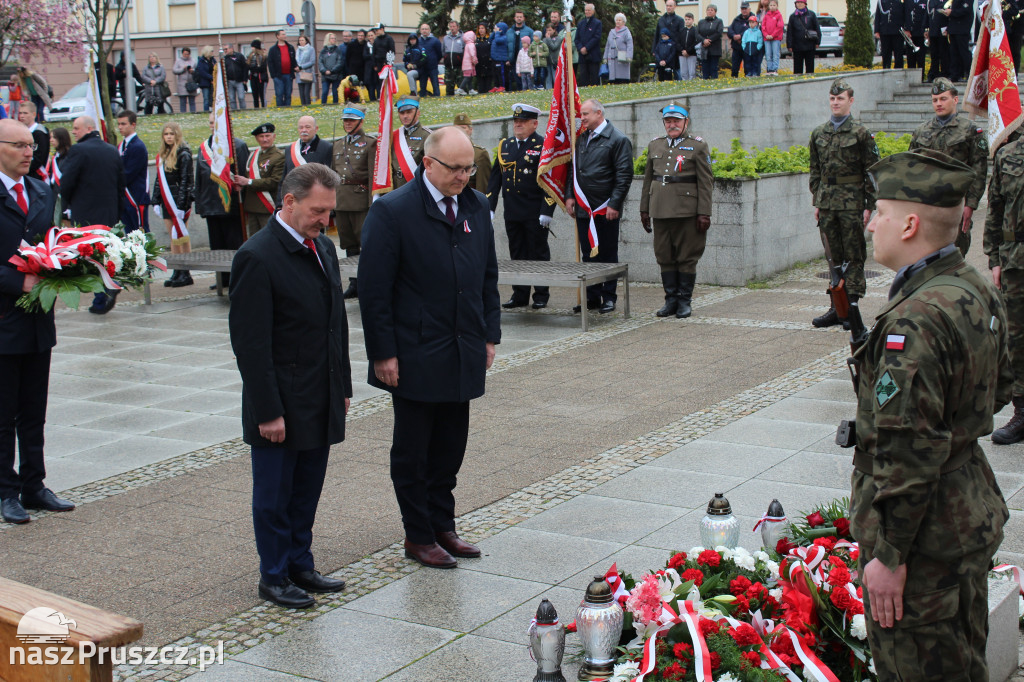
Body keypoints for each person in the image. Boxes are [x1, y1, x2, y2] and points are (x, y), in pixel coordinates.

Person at [850, 150, 1010, 682]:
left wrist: (889, 556)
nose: (870, 221)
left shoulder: (915, 320)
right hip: (961, 508)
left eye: (879, 210)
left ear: (911, 223)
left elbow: (909, 448)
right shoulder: (970, 285)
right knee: (963, 662)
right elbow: (1001, 383)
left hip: (924, 538)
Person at [358, 126, 499, 570]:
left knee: (450, 447)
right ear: (428, 164)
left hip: (462, 347)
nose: (464, 177)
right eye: (455, 169)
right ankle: (417, 535)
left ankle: (444, 526)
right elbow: (374, 290)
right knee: (414, 451)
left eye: (468, 168)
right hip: (415, 351)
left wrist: (489, 334)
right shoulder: (393, 211)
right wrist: (383, 353)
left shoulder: (476, 204)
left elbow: (488, 277)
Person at [229, 162, 352, 609]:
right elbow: (251, 345)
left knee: (306, 490)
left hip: (319, 394)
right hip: (280, 401)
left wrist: (343, 386)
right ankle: (274, 575)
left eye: (330, 211)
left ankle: (301, 563)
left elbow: (334, 323)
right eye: (318, 211)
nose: (326, 220)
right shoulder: (257, 256)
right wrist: (268, 411)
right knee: (275, 496)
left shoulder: (323, 249)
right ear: (289, 202)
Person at [0, 119, 71, 525]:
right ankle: (6, 491)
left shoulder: (43, 190)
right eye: (20, 145)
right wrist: (17, 280)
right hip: (4, 317)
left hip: (37, 318)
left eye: (32, 145)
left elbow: (51, 245)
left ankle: (34, 484)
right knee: (3, 412)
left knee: (33, 409)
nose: (30, 152)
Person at [808, 79, 880, 328]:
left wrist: (869, 205)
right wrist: (817, 200)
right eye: (832, 98)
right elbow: (815, 170)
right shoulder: (819, 133)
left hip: (851, 204)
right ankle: (836, 308)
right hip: (827, 204)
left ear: (851, 101)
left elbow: (871, 171)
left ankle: (852, 308)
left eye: (840, 98)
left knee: (853, 256)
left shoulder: (861, 133)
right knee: (833, 258)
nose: (835, 102)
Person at [639, 103, 713, 319]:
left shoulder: (697, 146)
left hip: (686, 211)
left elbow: (706, 182)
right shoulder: (655, 145)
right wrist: (644, 209)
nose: (672, 125)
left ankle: (684, 301)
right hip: (660, 209)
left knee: (687, 257)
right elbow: (648, 180)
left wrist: (704, 212)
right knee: (664, 256)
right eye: (668, 121)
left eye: (676, 121)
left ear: (685, 122)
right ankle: (670, 300)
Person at [563, 99, 633, 314]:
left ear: (599, 113)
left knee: (608, 255)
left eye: (585, 114)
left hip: (604, 208)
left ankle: (609, 297)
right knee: (588, 254)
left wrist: (615, 203)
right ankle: (592, 297)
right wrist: (569, 196)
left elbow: (624, 175)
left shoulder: (618, 139)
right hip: (584, 207)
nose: (581, 118)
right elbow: (573, 171)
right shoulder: (581, 139)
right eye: (581, 115)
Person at [486, 104, 555, 309]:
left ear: (534, 124)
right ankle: (520, 294)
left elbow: (550, 181)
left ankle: (541, 294)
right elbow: (495, 179)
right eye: (516, 121)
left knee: (538, 253)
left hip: (535, 211)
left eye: (523, 122)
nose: (518, 125)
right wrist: (490, 206)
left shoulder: (543, 145)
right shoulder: (505, 146)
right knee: (517, 252)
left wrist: (547, 210)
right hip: (513, 211)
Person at [908, 78, 986, 257]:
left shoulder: (970, 131)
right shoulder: (921, 131)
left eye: (943, 99)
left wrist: (971, 205)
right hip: (927, 205)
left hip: (956, 204)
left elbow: (979, 171)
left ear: (955, 100)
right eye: (935, 100)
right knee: (925, 258)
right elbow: (911, 167)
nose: (938, 104)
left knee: (955, 259)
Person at [984, 124, 1024, 444]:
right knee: (1017, 338)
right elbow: (994, 208)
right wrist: (994, 257)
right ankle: (1022, 412)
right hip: (1015, 261)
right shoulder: (1008, 155)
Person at [196, 112, 248, 290]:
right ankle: (222, 279)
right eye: (211, 123)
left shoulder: (237, 146)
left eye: (216, 122)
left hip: (231, 205)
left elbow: (243, 175)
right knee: (216, 247)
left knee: (234, 245)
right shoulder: (204, 147)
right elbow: (199, 178)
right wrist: (200, 205)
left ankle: (237, 277)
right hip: (211, 205)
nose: (213, 126)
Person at [331, 104, 376, 299]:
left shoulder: (370, 143)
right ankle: (354, 283)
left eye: (351, 120)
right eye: (345, 120)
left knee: (365, 243)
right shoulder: (338, 144)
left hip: (360, 200)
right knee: (348, 243)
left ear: (360, 121)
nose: (347, 124)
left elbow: (373, 175)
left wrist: (372, 202)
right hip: (341, 201)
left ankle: (368, 283)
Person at [60, 116, 125, 230]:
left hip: (84, 214)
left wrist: (70, 203)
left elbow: (67, 182)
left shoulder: (78, 150)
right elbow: (121, 185)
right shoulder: (113, 150)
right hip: (110, 214)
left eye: (76, 128)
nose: (73, 132)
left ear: (89, 129)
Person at [151, 122, 194, 289]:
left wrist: (182, 205)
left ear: (177, 135)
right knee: (173, 238)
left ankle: (186, 271)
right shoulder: (163, 154)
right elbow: (158, 181)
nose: (168, 136)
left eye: (172, 134)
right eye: (166, 134)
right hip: (167, 202)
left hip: (179, 203)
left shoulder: (184, 154)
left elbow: (186, 180)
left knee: (182, 237)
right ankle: (177, 269)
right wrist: (155, 200)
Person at [233, 123, 285, 238]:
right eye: (261, 136)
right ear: (257, 138)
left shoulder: (279, 156)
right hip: (251, 206)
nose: (265, 139)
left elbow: (274, 182)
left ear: (274, 136)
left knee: (269, 240)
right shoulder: (253, 155)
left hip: (267, 207)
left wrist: (248, 182)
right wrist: (242, 185)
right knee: (254, 240)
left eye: (267, 136)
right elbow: (247, 177)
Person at [280, 115, 333, 205]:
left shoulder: (326, 147)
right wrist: (279, 203)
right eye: (301, 127)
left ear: (316, 129)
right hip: (295, 200)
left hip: (316, 201)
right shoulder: (290, 149)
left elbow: (329, 179)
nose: (304, 130)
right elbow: (284, 178)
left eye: (307, 127)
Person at [115, 110, 149, 236]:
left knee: (141, 232)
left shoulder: (138, 146)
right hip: (124, 198)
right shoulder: (121, 145)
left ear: (133, 124)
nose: (120, 127)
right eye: (118, 124)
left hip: (136, 196)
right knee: (129, 233)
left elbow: (128, 173)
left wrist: (114, 181)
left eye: (123, 124)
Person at [391, 96, 431, 189]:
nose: (405, 116)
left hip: (416, 188)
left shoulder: (427, 136)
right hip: (397, 188)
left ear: (418, 113)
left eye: (409, 112)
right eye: (402, 113)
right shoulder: (394, 136)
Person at [453, 112, 492, 194]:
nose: (460, 131)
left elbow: (482, 187)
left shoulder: (479, 154)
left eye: (463, 128)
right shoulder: (448, 151)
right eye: (457, 128)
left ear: (470, 130)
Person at [787, 0, 821, 74]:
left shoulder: (811, 14)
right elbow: (790, 31)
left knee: (810, 67)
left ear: (805, 4)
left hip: (810, 44)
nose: (799, 4)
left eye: (801, 2)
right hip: (797, 45)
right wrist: (789, 44)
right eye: (797, 3)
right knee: (797, 67)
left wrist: (818, 41)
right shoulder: (793, 16)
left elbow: (817, 28)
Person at [17, 104, 48, 183]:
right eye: (20, 113)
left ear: (33, 114)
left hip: (36, 175)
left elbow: (39, 157)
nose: (22, 116)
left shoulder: (39, 133)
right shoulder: (21, 131)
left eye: (25, 113)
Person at [47, 127, 71, 225]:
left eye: (54, 137)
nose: (51, 140)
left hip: (65, 197)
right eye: (51, 137)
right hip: (55, 195)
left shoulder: (69, 156)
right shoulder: (56, 157)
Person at [655, 0, 685, 78]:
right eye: (667, 5)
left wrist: (681, 49)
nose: (668, 7)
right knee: (663, 74)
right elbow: (657, 34)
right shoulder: (661, 19)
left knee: (677, 72)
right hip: (662, 50)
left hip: (675, 50)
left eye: (670, 6)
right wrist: (654, 49)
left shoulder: (680, 20)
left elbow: (682, 36)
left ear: (675, 6)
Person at [507, 10, 535, 92]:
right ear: (514, 18)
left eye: (520, 17)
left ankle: (528, 91)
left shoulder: (529, 31)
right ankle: (520, 91)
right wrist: (508, 58)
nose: (519, 19)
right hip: (513, 58)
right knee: (516, 77)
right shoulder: (509, 31)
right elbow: (506, 45)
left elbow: (533, 44)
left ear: (523, 18)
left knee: (527, 78)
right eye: (517, 17)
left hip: (526, 58)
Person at [575, 3, 603, 87]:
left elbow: (596, 37)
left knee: (594, 77)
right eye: (586, 10)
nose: (587, 12)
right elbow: (577, 39)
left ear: (593, 11)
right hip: (582, 56)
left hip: (593, 54)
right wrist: (581, 48)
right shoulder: (581, 23)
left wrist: (586, 48)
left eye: (589, 10)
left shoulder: (597, 23)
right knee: (583, 77)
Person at [268, 29, 298, 107]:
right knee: (279, 93)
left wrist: (296, 67)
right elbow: (270, 63)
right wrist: (273, 75)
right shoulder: (273, 49)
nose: (285, 36)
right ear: (278, 36)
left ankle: (288, 108)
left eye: (285, 34)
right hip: (278, 76)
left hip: (289, 74)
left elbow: (293, 59)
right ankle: (280, 109)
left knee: (288, 93)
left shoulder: (290, 47)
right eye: (283, 34)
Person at [874, 0, 907, 69]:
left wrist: (906, 28)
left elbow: (905, 15)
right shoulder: (882, 2)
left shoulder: (902, 1)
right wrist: (876, 30)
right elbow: (878, 16)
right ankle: (886, 70)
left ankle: (898, 71)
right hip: (885, 32)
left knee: (898, 55)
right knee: (886, 54)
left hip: (898, 32)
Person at [945, 0, 972, 80]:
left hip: (962, 28)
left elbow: (966, 9)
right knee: (953, 53)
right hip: (953, 28)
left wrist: (952, 12)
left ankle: (968, 72)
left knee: (963, 52)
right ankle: (955, 74)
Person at [697, 4, 725, 79]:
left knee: (713, 68)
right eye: (708, 10)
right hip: (704, 48)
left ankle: (714, 83)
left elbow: (719, 32)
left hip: (714, 48)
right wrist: (704, 40)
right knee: (705, 69)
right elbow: (697, 33)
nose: (710, 11)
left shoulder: (719, 21)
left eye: (712, 10)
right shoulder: (701, 22)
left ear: (715, 12)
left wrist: (709, 40)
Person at [728, 2, 753, 77]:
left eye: (745, 9)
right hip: (737, 46)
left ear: (749, 9)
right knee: (735, 67)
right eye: (742, 9)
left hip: (747, 47)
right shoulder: (736, 19)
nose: (744, 10)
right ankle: (733, 80)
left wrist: (741, 36)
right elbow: (730, 29)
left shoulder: (753, 19)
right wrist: (733, 36)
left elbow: (751, 30)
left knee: (748, 67)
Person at [927, 0, 950, 81]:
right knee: (934, 54)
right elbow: (927, 15)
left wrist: (948, 28)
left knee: (944, 53)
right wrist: (925, 29)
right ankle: (934, 73)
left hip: (943, 30)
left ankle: (945, 73)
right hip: (933, 31)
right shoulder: (931, 1)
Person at [319, 33, 344, 104]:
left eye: (334, 38)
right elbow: (320, 62)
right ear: (328, 39)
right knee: (324, 92)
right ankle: (323, 105)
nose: (334, 40)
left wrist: (332, 71)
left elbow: (339, 62)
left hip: (336, 75)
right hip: (325, 75)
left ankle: (335, 104)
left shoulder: (338, 50)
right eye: (332, 38)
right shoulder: (323, 51)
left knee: (335, 92)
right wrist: (324, 70)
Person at [761, 0, 785, 75]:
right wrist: (766, 35)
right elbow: (763, 26)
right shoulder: (766, 15)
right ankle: (769, 69)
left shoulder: (779, 15)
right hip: (767, 38)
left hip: (776, 38)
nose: (772, 7)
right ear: (768, 6)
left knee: (775, 54)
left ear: (777, 6)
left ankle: (774, 69)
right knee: (768, 54)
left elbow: (780, 26)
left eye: (774, 5)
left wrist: (772, 35)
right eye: (771, 5)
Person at [419, 24, 443, 96]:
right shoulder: (418, 41)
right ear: (420, 30)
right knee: (422, 85)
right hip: (422, 67)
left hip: (432, 67)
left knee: (435, 84)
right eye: (423, 29)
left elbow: (439, 53)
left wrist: (435, 61)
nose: (424, 31)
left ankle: (437, 97)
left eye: (426, 29)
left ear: (429, 30)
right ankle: (422, 97)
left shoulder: (435, 41)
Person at [223, 43, 249, 110]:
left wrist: (245, 79)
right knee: (231, 98)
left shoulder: (239, 56)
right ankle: (234, 111)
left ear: (231, 48)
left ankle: (243, 110)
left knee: (241, 97)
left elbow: (245, 67)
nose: (225, 51)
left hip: (239, 80)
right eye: (224, 49)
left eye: (226, 49)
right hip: (229, 81)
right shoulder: (224, 59)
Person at [172, 47, 197, 114]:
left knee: (192, 100)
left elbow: (197, 70)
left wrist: (192, 70)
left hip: (191, 83)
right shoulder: (178, 61)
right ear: (182, 53)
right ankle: (183, 114)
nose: (186, 55)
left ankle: (193, 113)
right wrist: (183, 69)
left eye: (187, 54)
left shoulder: (193, 60)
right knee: (182, 101)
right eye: (185, 54)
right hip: (182, 84)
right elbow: (174, 70)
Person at [904, 0, 928, 70]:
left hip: (921, 33)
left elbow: (926, 15)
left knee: (921, 58)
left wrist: (925, 30)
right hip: (910, 33)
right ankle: (911, 77)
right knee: (910, 58)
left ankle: (921, 77)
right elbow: (905, 15)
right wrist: (906, 29)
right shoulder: (907, 1)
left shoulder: (925, 1)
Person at [444, 20, 465, 96]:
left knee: (461, 86)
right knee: (449, 86)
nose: (452, 28)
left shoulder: (463, 37)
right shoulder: (446, 38)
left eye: (454, 26)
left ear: (458, 27)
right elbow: (443, 50)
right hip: (449, 67)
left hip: (459, 67)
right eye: (450, 27)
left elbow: (465, 50)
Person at [295, 35, 316, 106]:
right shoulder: (298, 50)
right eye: (299, 40)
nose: (301, 42)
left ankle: (308, 106)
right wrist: (296, 67)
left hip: (307, 73)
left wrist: (301, 67)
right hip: (299, 74)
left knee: (306, 92)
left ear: (306, 41)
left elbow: (312, 61)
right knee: (301, 93)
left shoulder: (310, 49)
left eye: (302, 40)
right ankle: (303, 106)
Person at [678, 13, 699, 80]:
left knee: (692, 72)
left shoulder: (695, 30)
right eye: (686, 19)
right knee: (683, 72)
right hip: (682, 54)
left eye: (689, 19)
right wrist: (682, 50)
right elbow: (677, 42)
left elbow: (696, 42)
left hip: (691, 54)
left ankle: (692, 85)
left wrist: (688, 51)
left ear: (692, 20)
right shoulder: (681, 30)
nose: (687, 21)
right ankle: (685, 85)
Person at [248, 40, 269, 108]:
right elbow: (248, 66)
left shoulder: (263, 56)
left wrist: (254, 68)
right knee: (255, 95)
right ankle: (256, 108)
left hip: (261, 78)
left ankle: (264, 107)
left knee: (262, 95)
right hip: (253, 77)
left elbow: (262, 67)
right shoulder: (250, 56)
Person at [490, 22, 511, 90]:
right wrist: (494, 33)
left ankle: (502, 86)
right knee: (495, 73)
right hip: (494, 58)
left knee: (501, 73)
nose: (495, 29)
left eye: (497, 28)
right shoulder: (496, 35)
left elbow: (498, 41)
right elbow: (490, 40)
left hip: (501, 59)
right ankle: (496, 86)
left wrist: (497, 33)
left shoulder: (505, 37)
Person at [195, 46, 215, 113]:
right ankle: (206, 111)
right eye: (211, 51)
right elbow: (202, 72)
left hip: (212, 82)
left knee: (212, 97)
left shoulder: (212, 60)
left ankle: (213, 111)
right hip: (205, 82)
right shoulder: (201, 61)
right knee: (206, 98)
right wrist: (211, 77)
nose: (213, 52)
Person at [460, 31, 479, 95]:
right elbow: (472, 54)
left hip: (466, 64)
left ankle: (471, 89)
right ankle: (461, 88)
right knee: (467, 77)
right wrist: (475, 61)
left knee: (469, 77)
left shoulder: (467, 45)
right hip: (469, 65)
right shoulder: (471, 45)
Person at [476, 25, 493, 93]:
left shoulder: (489, 39)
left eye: (482, 28)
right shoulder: (476, 40)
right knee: (480, 84)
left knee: (488, 84)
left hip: (488, 64)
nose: (481, 30)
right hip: (479, 65)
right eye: (479, 28)